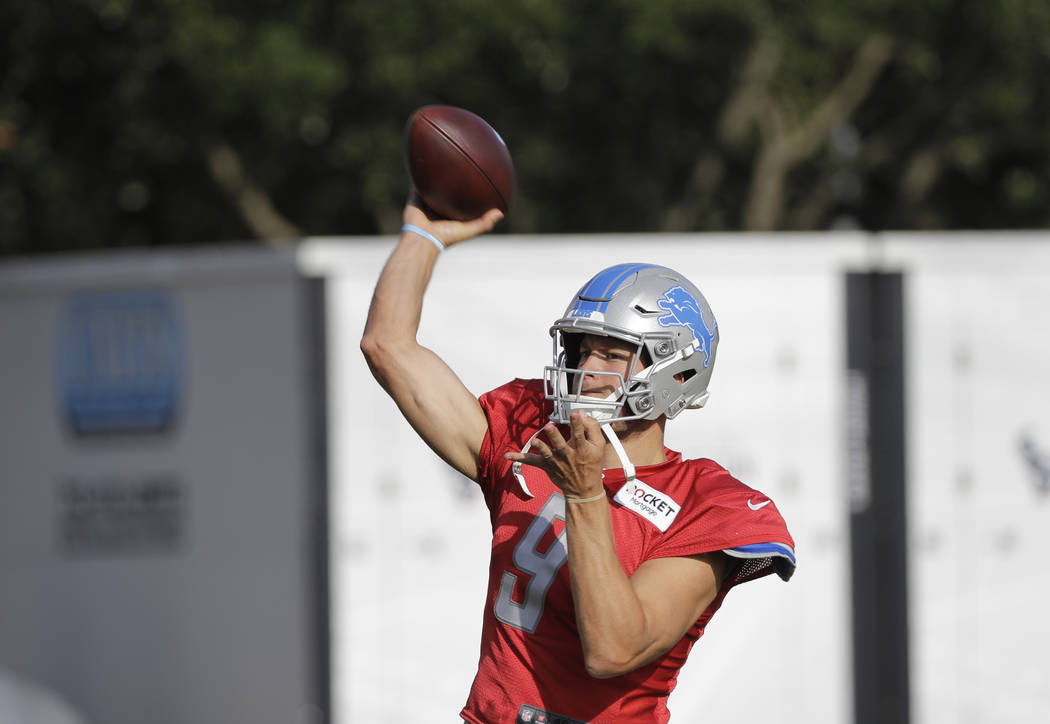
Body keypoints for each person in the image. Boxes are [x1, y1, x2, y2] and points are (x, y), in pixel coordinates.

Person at [361, 194, 796, 724]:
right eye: (581, 348)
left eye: (611, 353)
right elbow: (387, 346)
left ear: (675, 372)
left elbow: (614, 650)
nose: (587, 367)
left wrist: (585, 493)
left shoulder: (705, 503)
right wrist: (423, 237)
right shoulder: (533, 435)